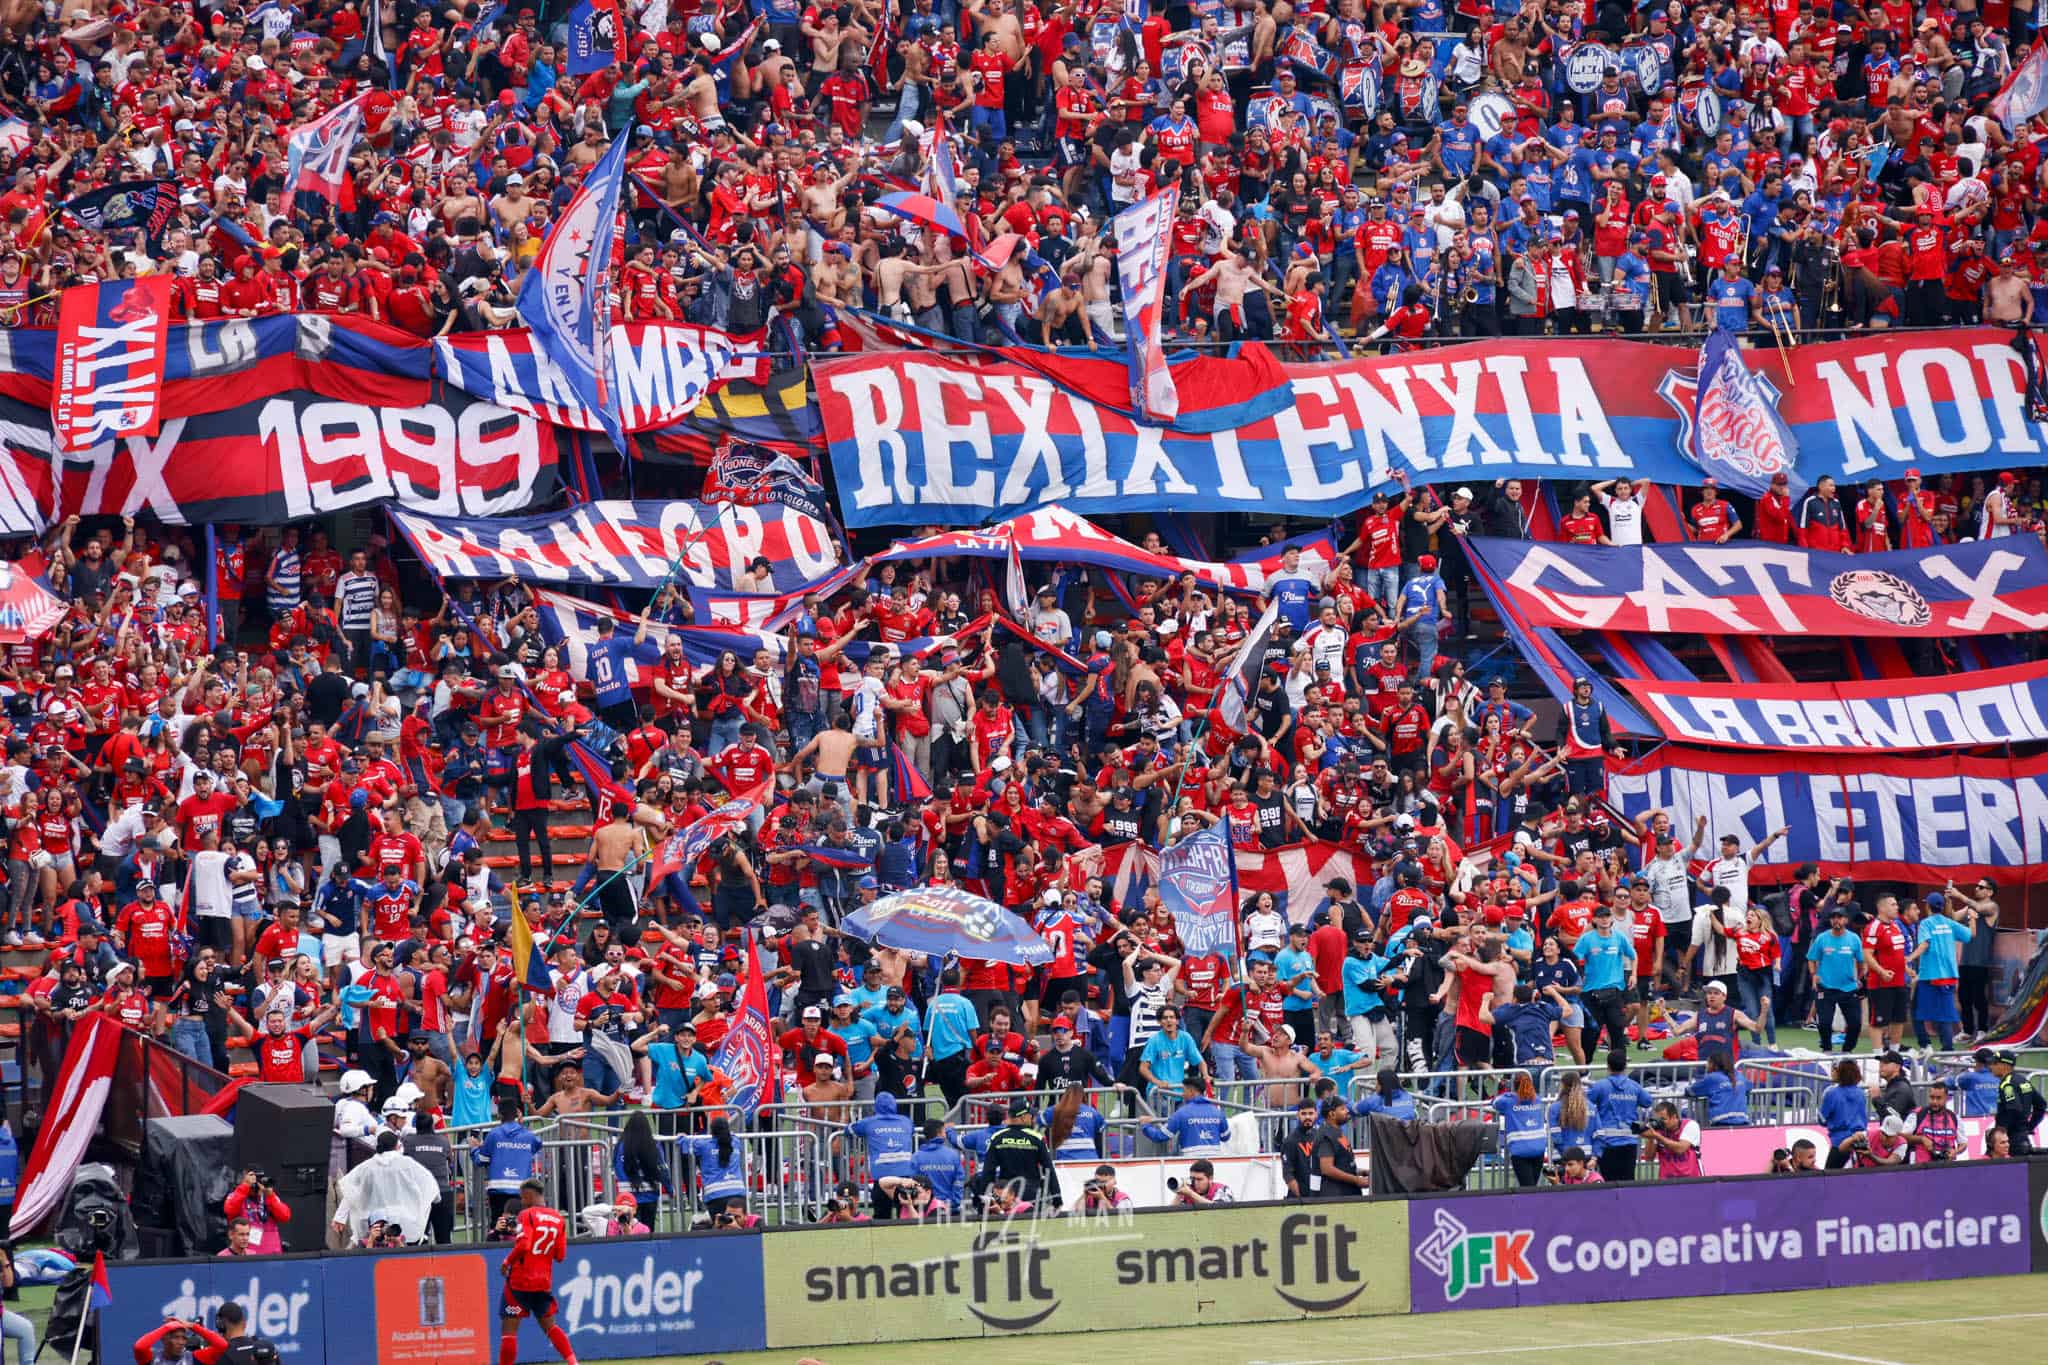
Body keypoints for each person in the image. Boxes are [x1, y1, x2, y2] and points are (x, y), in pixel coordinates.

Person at [496, 1181, 577, 1365]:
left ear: (529, 1195)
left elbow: (524, 1245)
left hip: (519, 1282)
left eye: (522, 1197)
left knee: (509, 1330)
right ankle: (574, 1363)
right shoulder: (558, 1218)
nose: (522, 1202)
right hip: (542, 1283)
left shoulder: (526, 1214)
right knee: (550, 1327)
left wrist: (507, 1261)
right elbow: (560, 1256)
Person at [1309, 1095, 1367, 1197]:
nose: (1347, 1111)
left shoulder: (1335, 1131)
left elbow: (1342, 1166)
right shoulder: (1326, 1135)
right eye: (1342, 1109)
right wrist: (1357, 1180)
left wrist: (1363, 1172)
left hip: (1345, 1193)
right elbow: (1327, 1169)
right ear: (1332, 1114)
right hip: (1335, 1196)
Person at [1820, 1058, 1871, 1170]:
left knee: (1829, 1176)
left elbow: (1822, 1119)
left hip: (1840, 1142)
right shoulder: (1861, 1093)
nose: (1832, 1072)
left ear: (1840, 1072)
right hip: (1861, 1141)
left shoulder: (1832, 1093)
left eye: (1834, 1070)